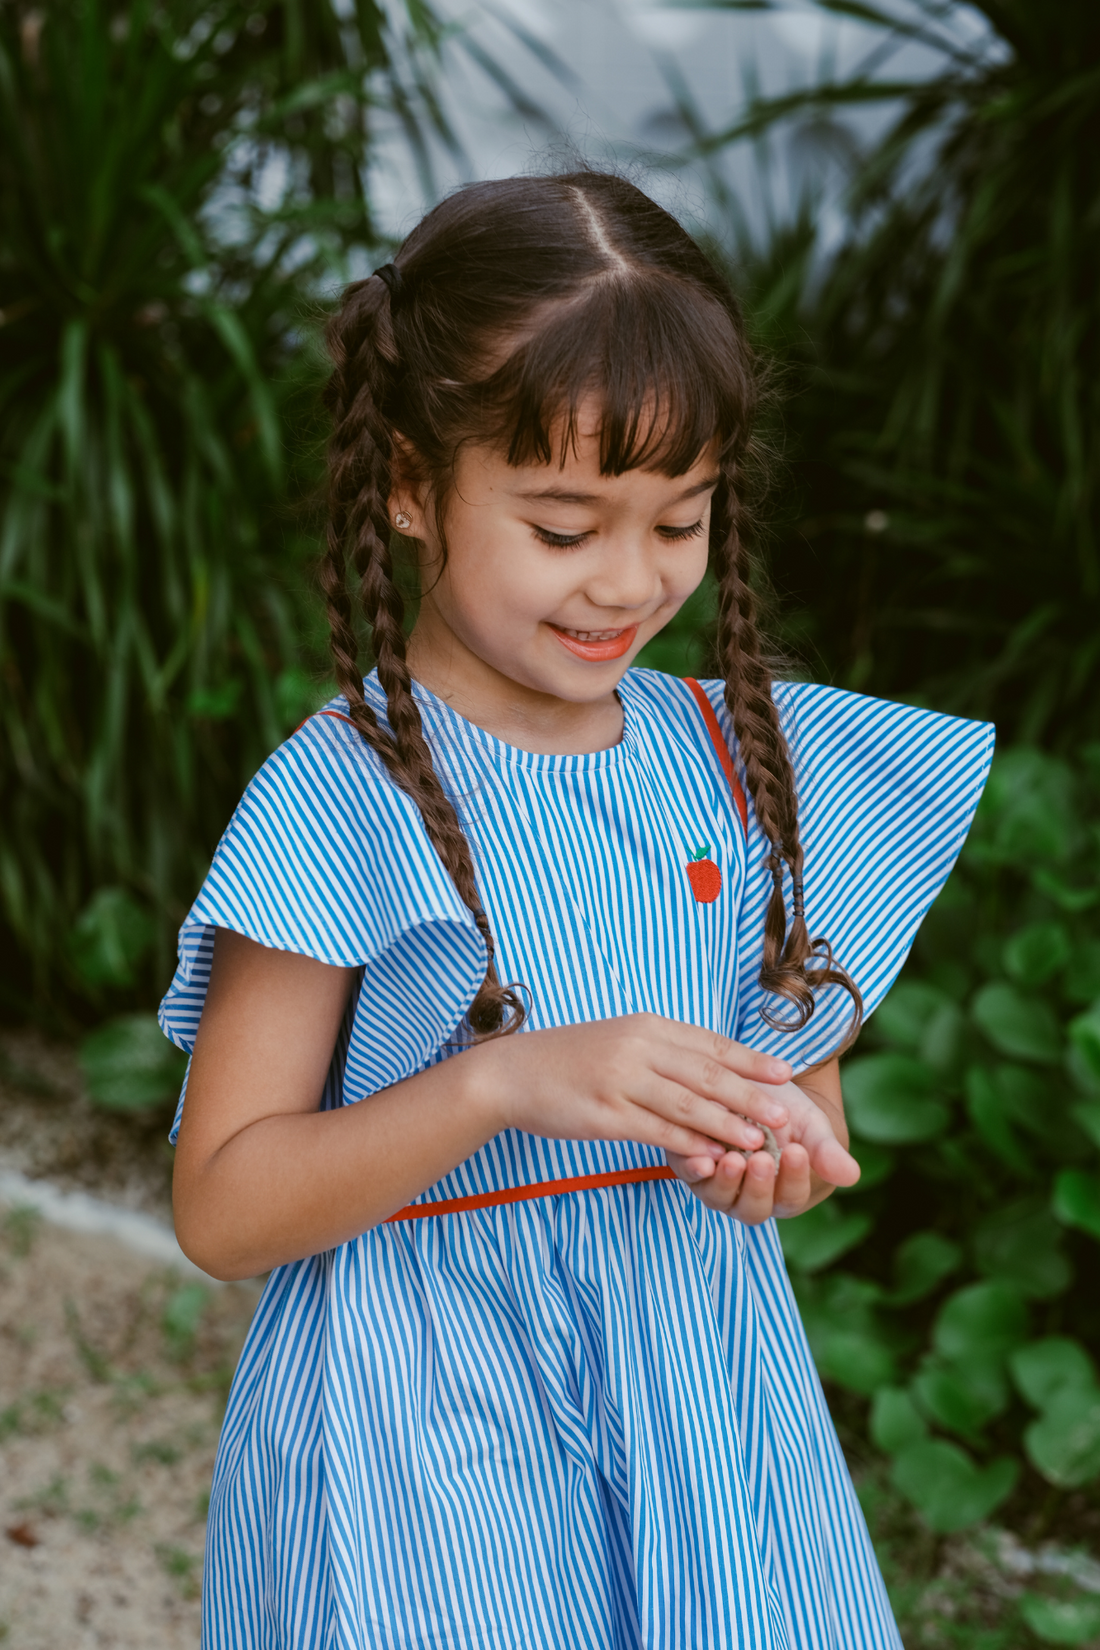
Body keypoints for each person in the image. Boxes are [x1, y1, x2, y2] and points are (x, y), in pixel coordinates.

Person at [162, 172, 994, 1649]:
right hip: (424, 1422)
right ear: (414, 484)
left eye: (679, 519)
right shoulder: (341, 795)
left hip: (701, 1391)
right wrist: (499, 1080)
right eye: (562, 526)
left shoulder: (746, 768)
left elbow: (808, 1117)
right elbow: (226, 1207)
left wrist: (779, 1159)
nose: (629, 579)